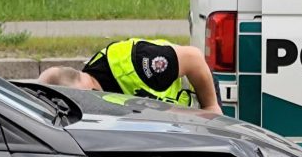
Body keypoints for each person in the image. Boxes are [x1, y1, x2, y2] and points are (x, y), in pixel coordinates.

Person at [38, 38, 223, 114]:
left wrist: (210, 108)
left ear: (86, 91)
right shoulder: (95, 86)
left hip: (199, 95)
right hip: (170, 116)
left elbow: (194, 59)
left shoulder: (134, 66)